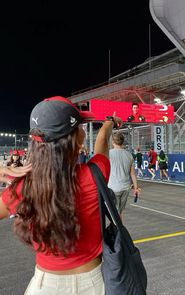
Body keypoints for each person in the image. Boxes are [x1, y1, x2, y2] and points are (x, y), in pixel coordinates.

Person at [0, 96, 122, 295]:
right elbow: (102, 145)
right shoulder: (94, 174)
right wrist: (108, 125)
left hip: (45, 286)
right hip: (92, 283)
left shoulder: (23, 187)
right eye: (80, 127)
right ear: (75, 138)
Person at [108, 131, 139, 219]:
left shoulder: (109, 154)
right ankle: (119, 230)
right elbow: (132, 174)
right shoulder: (129, 155)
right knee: (120, 212)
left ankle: (117, 231)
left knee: (114, 214)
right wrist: (136, 188)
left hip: (113, 188)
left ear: (113, 142)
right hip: (125, 188)